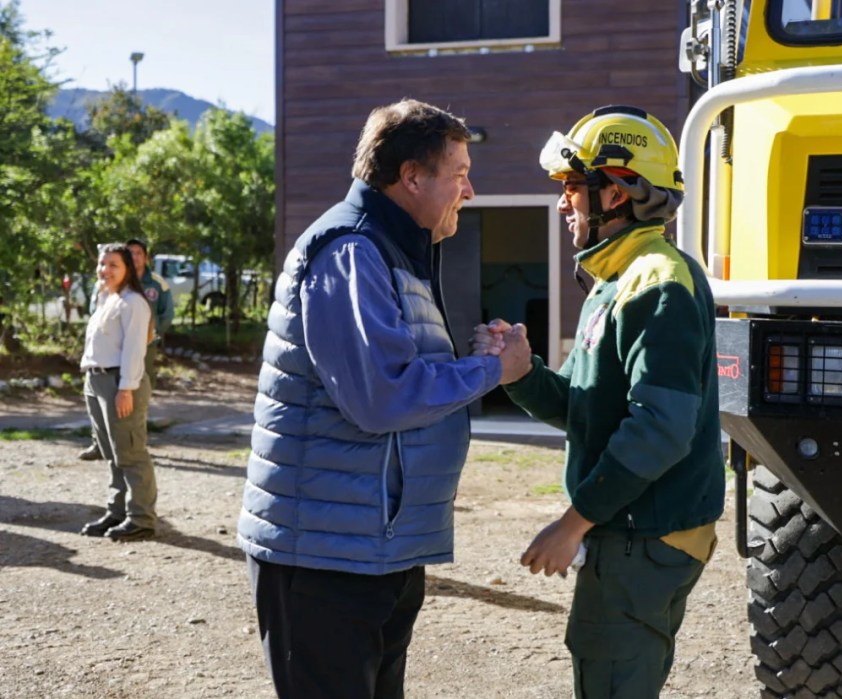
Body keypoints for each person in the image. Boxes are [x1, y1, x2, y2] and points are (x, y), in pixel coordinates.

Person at [237, 98, 512, 699]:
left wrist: (475, 357)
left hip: (369, 551)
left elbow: (397, 371)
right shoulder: (350, 251)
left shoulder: (388, 252)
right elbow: (382, 398)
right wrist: (489, 371)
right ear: (411, 177)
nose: (470, 191)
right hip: (324, 561)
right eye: (460, 174)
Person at [472, 105, 726, 698]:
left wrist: (572, 523)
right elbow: (585, 406)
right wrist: (520, 373)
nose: (563, 203)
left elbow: (660, 429)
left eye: (571, 188)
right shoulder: (614, 279)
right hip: (634, 528)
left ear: (616, 193)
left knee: (612, 680)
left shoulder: (658, 283)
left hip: (646, 533)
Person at [79, 242, 158, 542]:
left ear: (128, 269)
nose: (105, 270)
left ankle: (141, 518)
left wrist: (126, 388)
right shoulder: (105, 298)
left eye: (114, 265)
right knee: (112, 453)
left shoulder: (133, 302)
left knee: (130, 451)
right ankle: (118, 511)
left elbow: (134, 350)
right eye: (102, 264)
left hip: (120, 383)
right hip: (97, 380)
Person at [78, 238, 173, 461]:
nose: (106, 270)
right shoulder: (105, 289)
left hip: (142, 346)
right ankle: (99, 443)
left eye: (139, 253)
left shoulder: (152, 286)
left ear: (144, 258)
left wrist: (151, 334)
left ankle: (133, 440)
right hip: (104, 363)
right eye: (103, 264)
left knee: (131, 402)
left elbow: (166, 314)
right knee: (105, 419)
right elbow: (96, 315)